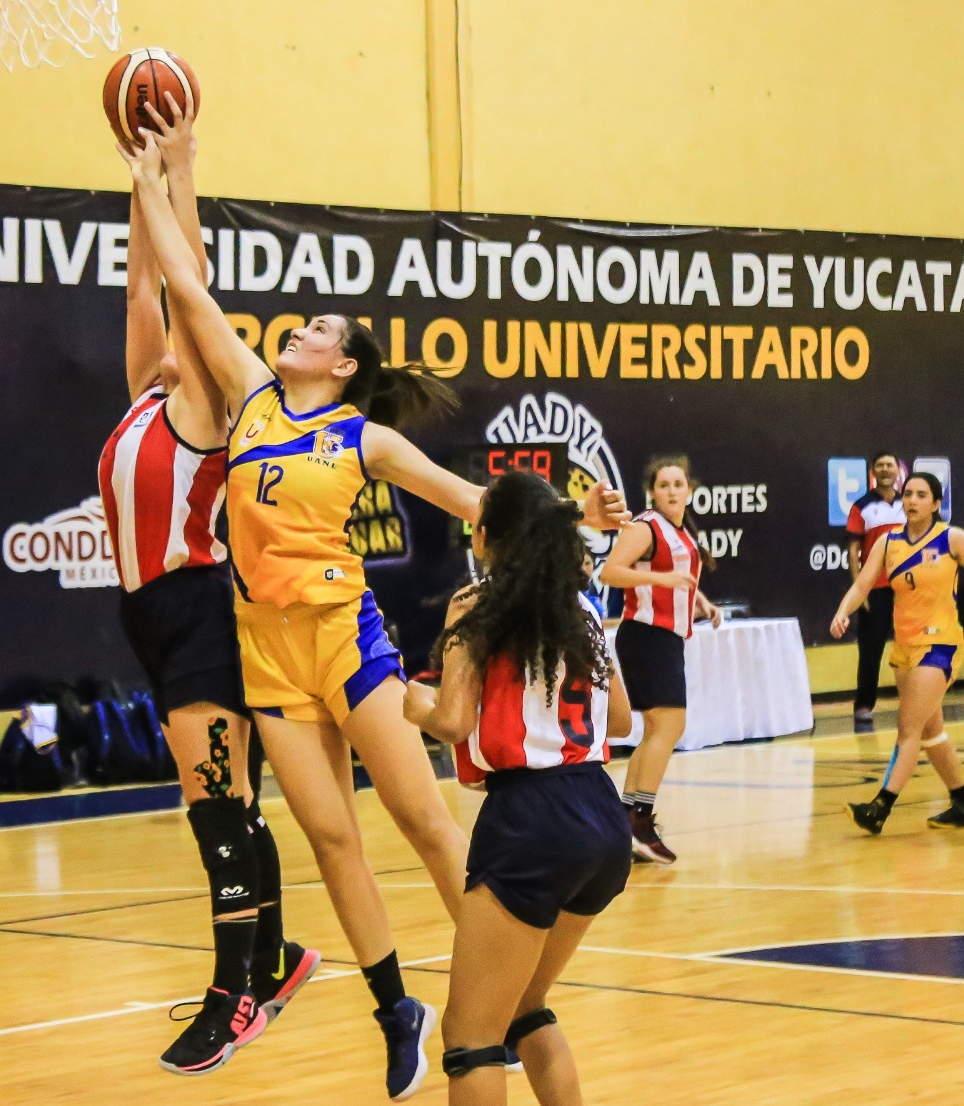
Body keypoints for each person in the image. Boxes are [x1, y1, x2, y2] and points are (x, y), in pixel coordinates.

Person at [128, 98, 630, 1102]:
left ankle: (505, 994)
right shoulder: (247, 394)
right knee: (327, 835)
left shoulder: (362, 437)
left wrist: (581, 510)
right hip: (265, 649)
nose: (297, 331)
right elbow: (185, 285)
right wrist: (158, 171)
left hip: (343, 636)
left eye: (315, 329)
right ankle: (396, 1004)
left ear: (343, 364)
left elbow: (480, 501)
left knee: (425, 820)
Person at [101, 114, 318, 1076]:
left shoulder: (209, 406)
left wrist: (183, 175)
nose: (174, 336)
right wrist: (139, 177)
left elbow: (187, 287)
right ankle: (276, 958)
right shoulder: (148, 397)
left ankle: (237, 997)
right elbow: (148, 283)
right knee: (232, 803)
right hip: (151, 616)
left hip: (199, 612)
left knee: (218, 809)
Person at [403, 471, 632, 1106]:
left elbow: (450, 719)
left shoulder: (479, 605)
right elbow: (619, 721)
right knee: (525, 1007)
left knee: (469, 1037)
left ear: (486, 537)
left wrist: (410, 701)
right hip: (600, 814)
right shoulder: (582, 608)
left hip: (529, 817)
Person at [832, 471, 964, 834]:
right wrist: (843, 611)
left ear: (936, 504)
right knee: (932, 731)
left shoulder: (953, 538)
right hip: (904, 647)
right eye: (908, 494)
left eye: (921, 495)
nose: (912, 500)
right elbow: (863, 583)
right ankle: (963, 801)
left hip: (941, 645)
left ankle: (879, 808)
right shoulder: (888, 543)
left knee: (909, 730)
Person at [598, 455, 720, 864]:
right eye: (663, 484)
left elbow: (679, 576)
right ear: (652, 492)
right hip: (646, 634)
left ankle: (626, 819)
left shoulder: (679, 531)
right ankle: (639, 820)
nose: (671, 490)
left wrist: (700, 601)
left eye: (677, 484)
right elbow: (610, 573)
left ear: (690, 490)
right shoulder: (645, 527)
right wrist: (658, 579)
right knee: (668, 725)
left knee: (658, 729)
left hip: (664, 636)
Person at [846, 451, 906, 726]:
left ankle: (916, 699)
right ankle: (864, 706)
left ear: (897, 470)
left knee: (913, 647)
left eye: (889, 465)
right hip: (876, 588)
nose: (885, 470)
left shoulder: (910, 503)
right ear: (873, 471)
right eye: (880, 465)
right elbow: (853, 550)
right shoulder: (861, 506)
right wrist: (861, 589)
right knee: (870, 649)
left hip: (908, 587)